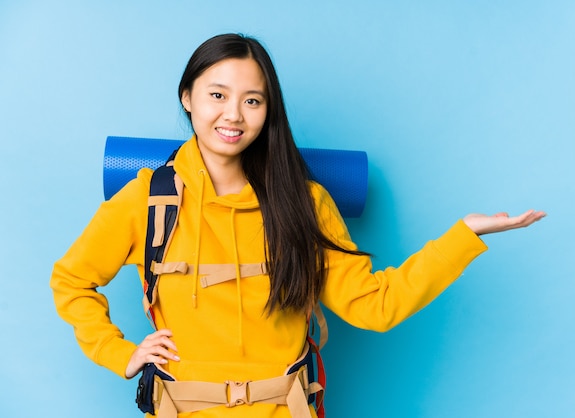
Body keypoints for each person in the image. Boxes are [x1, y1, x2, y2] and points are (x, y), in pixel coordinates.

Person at [50, 33, 546, 418]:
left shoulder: (304, 202)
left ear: (268, 111)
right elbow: (71, 281)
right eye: (217, 94)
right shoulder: (148, 198)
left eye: (252, 100)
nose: (233, 114)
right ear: (188, 97)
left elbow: (375, 305)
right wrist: (119, 352)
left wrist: (464, 237)